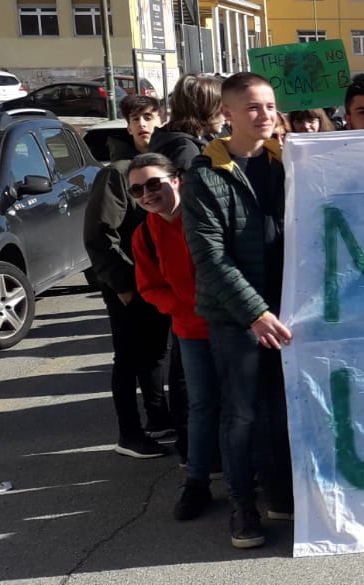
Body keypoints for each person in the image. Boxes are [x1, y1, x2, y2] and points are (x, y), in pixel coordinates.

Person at [180, 72, 292, 549]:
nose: (264, 115)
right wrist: (253, 312)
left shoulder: (290, 161)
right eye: (252, 107)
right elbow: (210, 257)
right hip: (236, 317)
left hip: (288, 309)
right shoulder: (205, 175)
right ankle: (243, 505)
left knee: (284, 407)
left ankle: (282, 491)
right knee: (242, 413)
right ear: (227, 114)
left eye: (269, 106)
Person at [128, 153, 220, 521]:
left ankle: (253, 477)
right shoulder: (144, 234)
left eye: (154, 183)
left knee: (244, 404)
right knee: (200, 407)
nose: (147, 194)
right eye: (137, 190)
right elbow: (149, 287)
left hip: (235, 325)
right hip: (190, 331)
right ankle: (197, 482)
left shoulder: (207, 215)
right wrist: (184, 308)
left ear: (176, 179)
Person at [84, 94, 174, 459]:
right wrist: (123, 284)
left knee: (153, 355)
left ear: (161, 120)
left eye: (149, 117)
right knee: (128, 358)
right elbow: (99, 233)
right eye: (135, 118)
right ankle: (129, 435)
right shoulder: (117, 173)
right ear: (127, 125)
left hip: (155, 283)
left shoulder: (162, 165)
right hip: (129, 285)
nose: (143, 124)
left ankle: (157, 417)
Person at [151, 74, 225, 172]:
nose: (227, 114)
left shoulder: (169, 137)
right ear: (205, 109)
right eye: (222, 108)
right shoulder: (186, 150)